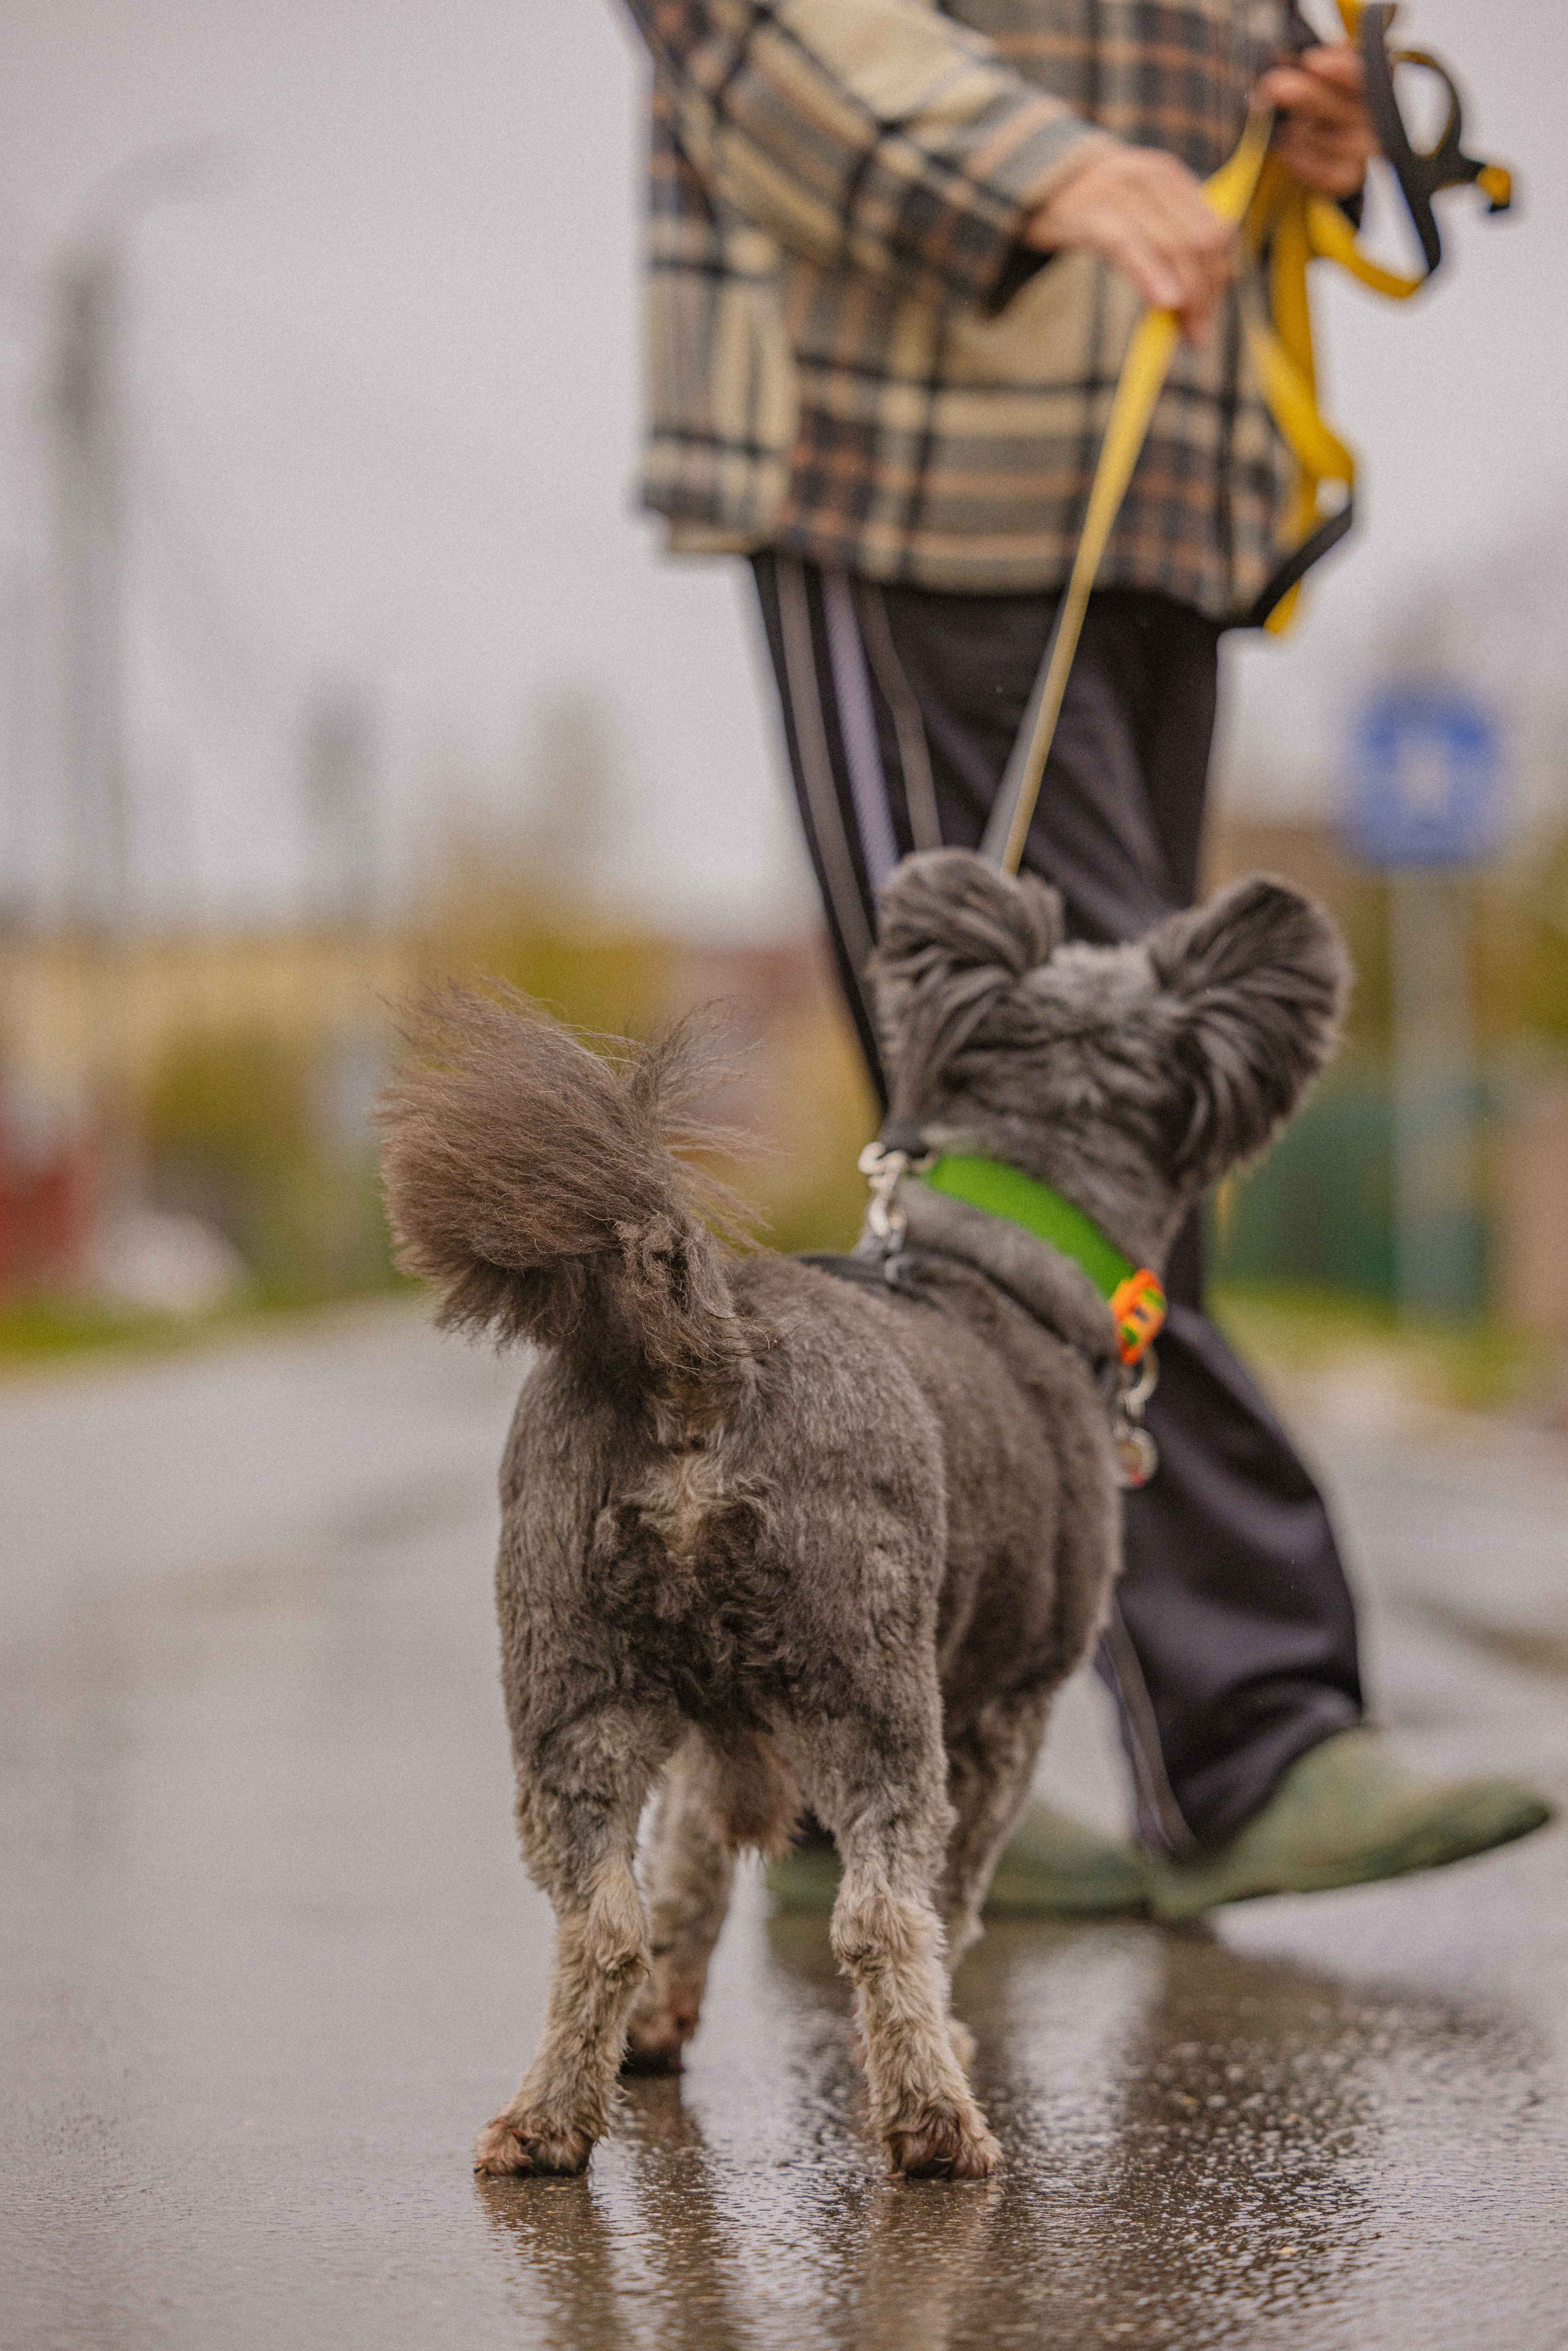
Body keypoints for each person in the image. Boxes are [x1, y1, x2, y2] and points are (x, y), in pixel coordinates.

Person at [616, 0, 1552, 1915]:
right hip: (906, 454)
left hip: (1170, 472)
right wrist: (1042, 162)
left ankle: (861, 1753)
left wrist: (1309, 117)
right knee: (1056, 1154)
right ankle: (1242, 1731)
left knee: (1102, 1155)